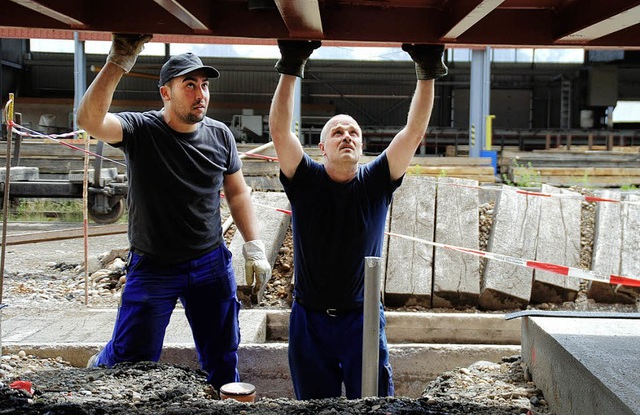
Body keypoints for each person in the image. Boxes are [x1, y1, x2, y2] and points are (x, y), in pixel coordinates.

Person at [76, 34, 271, 394]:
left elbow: (237, 190)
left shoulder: (220, 135)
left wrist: (254, 244)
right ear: (165, 92)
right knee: (132, 357)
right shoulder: (140, 130)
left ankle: (220, 402)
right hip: (154, 266)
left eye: (204, 85)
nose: (201, 94)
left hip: (210, 264)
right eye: (189, 85)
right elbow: (89, 119)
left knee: (223, 355)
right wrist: (119, 60)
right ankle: (100, 364)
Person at [268, 40, 447, 399]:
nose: (346, 136)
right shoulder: (305, 181)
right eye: (337, 132)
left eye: (353, 133)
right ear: (322, 148)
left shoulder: (376, 182)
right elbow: (280, 131)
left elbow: (413, 133)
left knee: (373, 405)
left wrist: (427, 71)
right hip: (309, 319)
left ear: (362, 147)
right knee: (315, 407)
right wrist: (291, 64)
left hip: (361, 319)